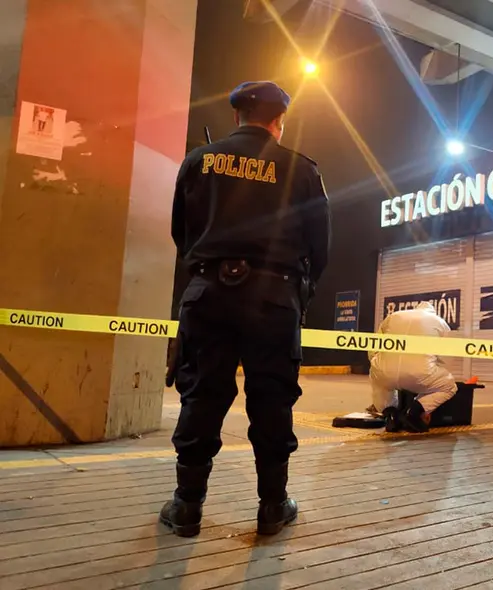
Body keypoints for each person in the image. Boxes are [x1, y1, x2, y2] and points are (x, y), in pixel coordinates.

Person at [160, 81, 331, 537]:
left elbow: (181, 233)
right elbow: (321, 245)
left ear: (237, 117)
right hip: (274, 297)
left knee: (202, 396)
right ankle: (273, 506)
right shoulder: (301, 169)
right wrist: (298, 294)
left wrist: (205, 271)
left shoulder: (198, 161)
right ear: (279, 122)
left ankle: (186, 507)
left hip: (208, 294)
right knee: (272, 399)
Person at [368, 302, 458, 433]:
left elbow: (373, 346)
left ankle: (390, 415)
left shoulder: (393, 316)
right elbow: (447, 358)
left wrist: (377, 362)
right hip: (420, 374)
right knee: (449, 386)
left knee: (377, 375)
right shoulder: (440, 323)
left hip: (386, 373)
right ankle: (414, 412)